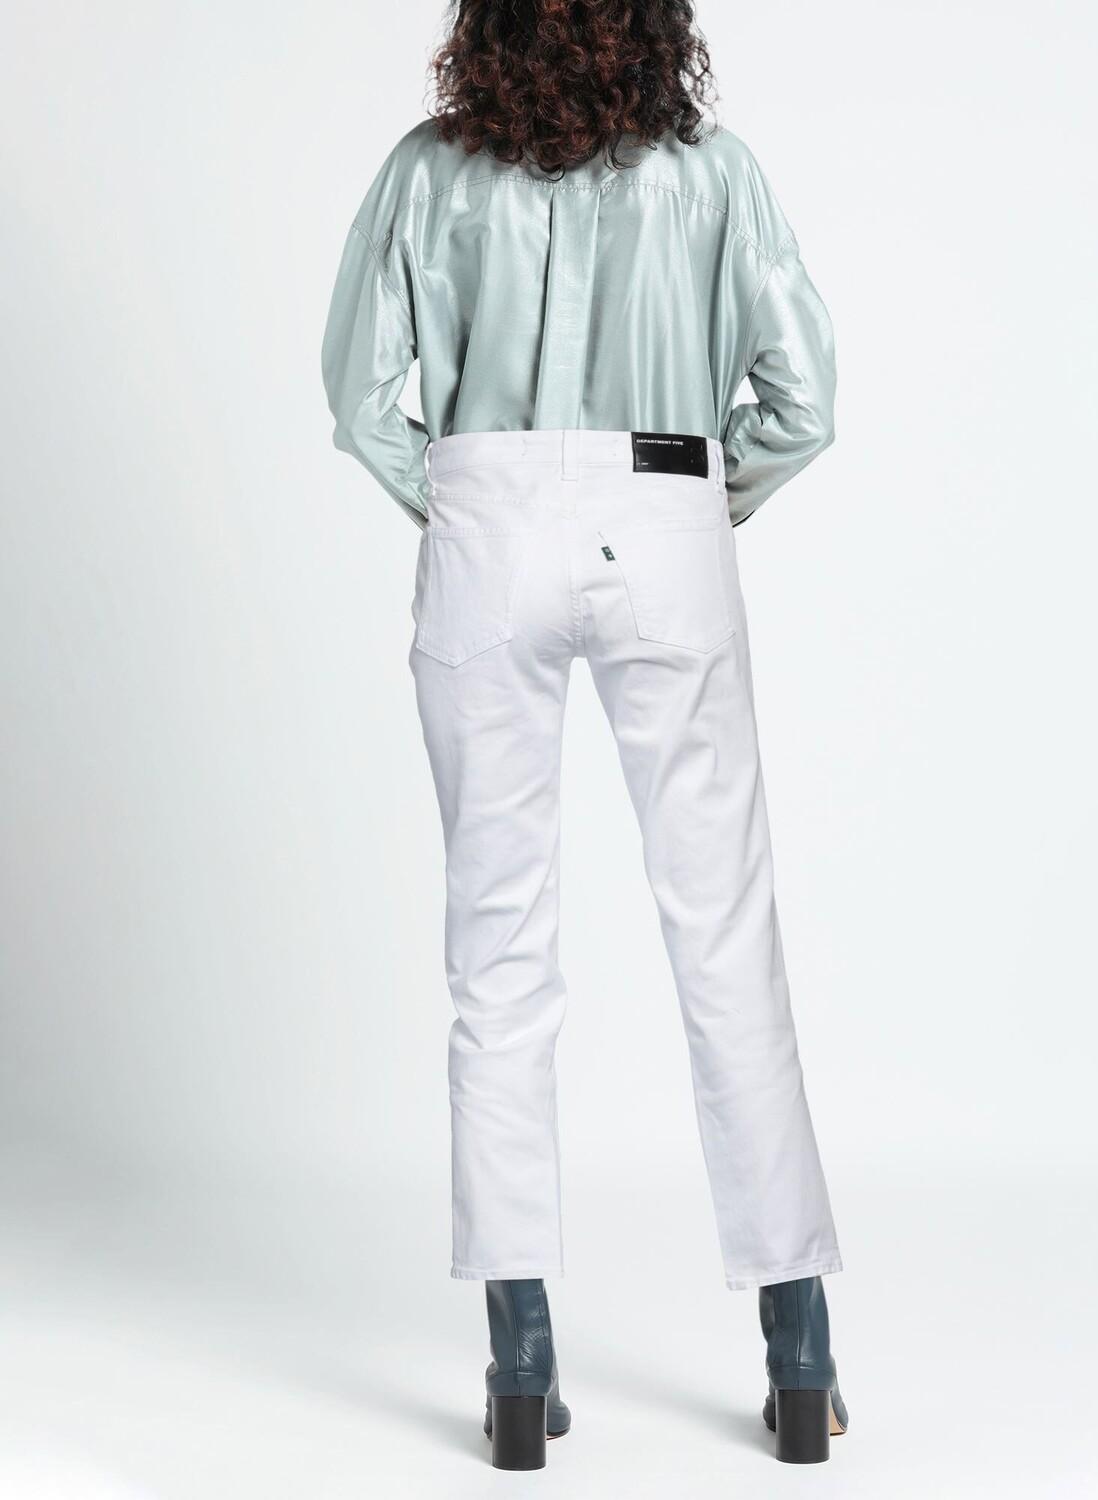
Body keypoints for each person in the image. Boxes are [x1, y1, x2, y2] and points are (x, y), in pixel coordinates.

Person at [322, 0, 848, 1469]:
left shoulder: (428, 170)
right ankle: (800, 1355)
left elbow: (362, 399)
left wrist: (473, 510)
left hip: (487, 515)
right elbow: (802, 403)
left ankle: (517, 1365)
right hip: (666, 500)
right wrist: (686, 511)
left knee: (497, 946)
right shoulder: (714, 171)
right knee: (724, 934)